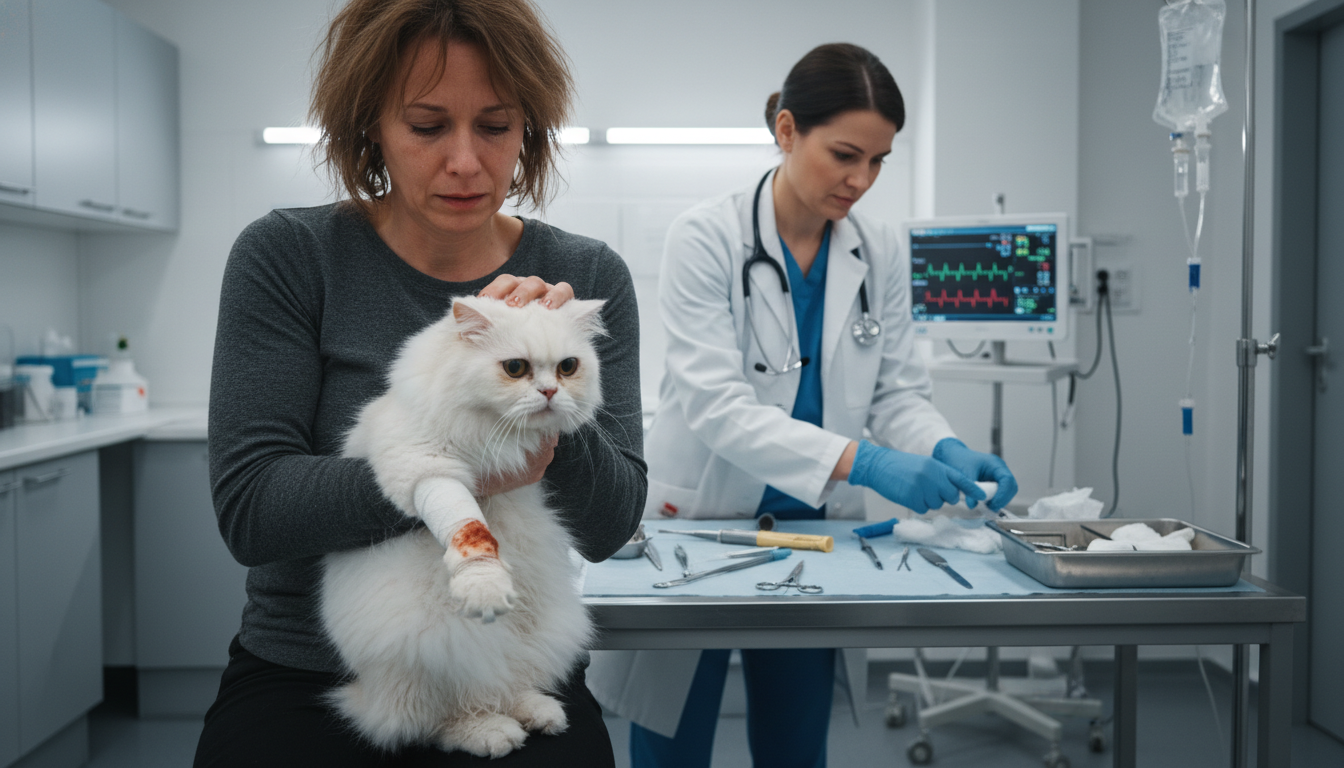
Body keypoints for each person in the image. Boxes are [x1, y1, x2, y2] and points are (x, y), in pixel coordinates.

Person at [194, 1, 646, 765]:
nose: (465, 161)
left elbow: (610, 526)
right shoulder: (290, 256)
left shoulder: (585, 275)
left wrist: (546, 397)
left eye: (495, 126)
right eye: (428, 126)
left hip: (512, 659)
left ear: (529, 128)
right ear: (370, 125)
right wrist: (461, 468)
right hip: (312, 669)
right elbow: (252, 510)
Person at [586, 43, 1018, 768]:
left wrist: (940, 444)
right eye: (845, 155)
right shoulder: (707, 237)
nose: (861, 180)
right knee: (672, 745)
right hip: (702, 522)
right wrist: (867, 462)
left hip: (813, 536)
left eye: (878, 161)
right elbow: (717, 405)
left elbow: (897, 391)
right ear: (787, 130)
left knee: (795, 746)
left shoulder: (878, 251)